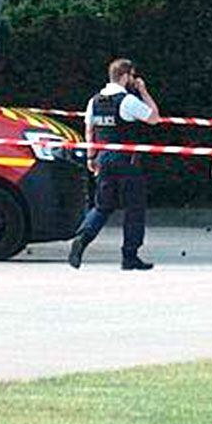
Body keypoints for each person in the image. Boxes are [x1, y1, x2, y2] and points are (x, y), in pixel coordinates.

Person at [69, 59, 160, 270]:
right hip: (126, 160)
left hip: (103, 158)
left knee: (102, 206)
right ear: (125, 76)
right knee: (134, 208)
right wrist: (144, 91)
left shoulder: (94, 101)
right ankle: (130, 256)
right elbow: (154, 118)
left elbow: (89, 131)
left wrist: (91, 158)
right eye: (132, 76)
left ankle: (82, 238)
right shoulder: (127, 101)